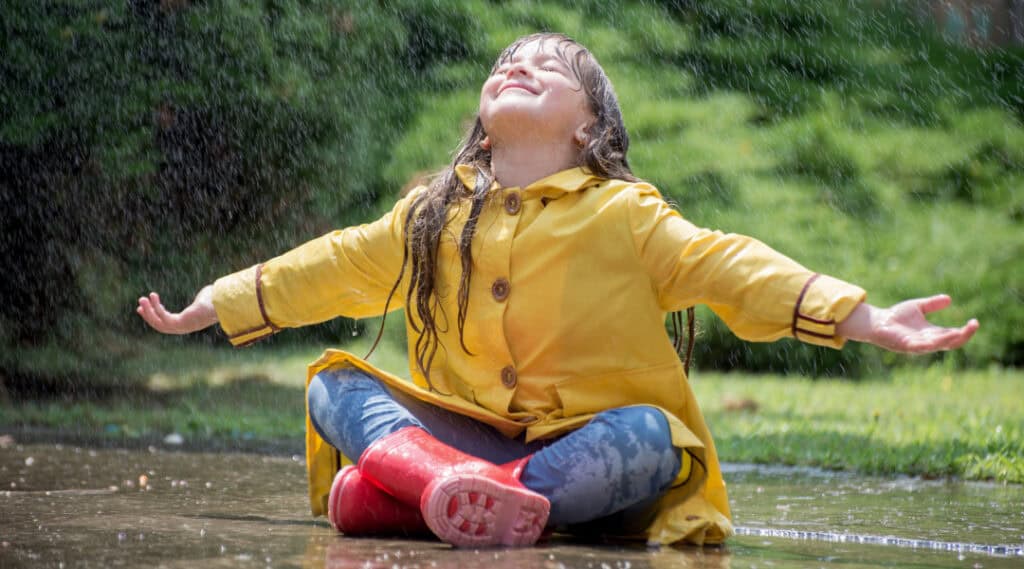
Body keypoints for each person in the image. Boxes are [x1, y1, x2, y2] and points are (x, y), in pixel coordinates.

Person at [137, 33, 978, 548]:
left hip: (583, 456)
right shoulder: (432, 214)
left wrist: (862, 315)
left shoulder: (626, 214)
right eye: (507, 62)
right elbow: (329, 265)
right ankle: (441, 487)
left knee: (653, 435)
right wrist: (214, 302)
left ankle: (426, 497)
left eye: (547, 65)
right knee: (332, 384)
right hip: (462, 443)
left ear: (591, 127)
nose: (518, 64)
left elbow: (733, 265)